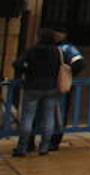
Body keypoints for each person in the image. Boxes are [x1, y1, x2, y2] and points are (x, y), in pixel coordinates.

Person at [12, 29, 68, 157]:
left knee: (27, 117)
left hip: (33, 86)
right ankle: (44, 147)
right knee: (49, 117)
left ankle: (22, 148)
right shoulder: (57, 51)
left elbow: (17, 64)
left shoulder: (32, 50)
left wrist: (27, 70)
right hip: (51, 87)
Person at [44, 28, 85, 152]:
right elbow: (79, 63)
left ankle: (33, 142)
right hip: (59, 86)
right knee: (57, 114)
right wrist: (68, 75)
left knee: (41, 113)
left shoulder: (63, 48)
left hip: (45, 85)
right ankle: (51, 142)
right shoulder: (66, 48)